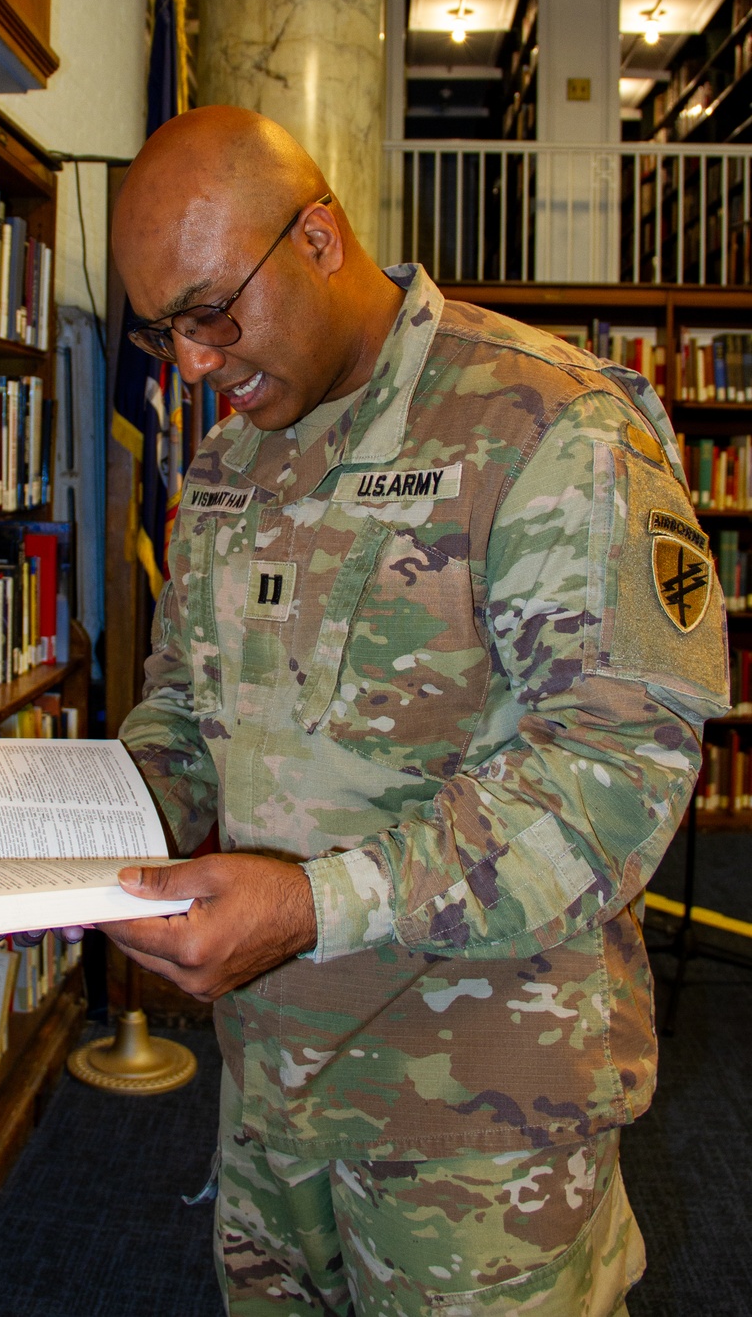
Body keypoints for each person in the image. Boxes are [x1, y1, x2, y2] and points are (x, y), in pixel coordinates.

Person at [100, 105, 728, 1317]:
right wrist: (101, 823)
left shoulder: (551, 422)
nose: (191, 363)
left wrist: (315, 902)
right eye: (166, 331)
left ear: (320, 239)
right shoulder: (233, 459)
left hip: (478, 1128)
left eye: (211, 314)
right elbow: (185, 702)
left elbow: (613, 772)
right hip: (270, 1088)